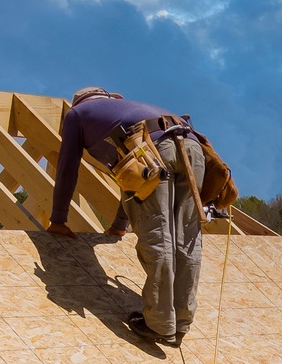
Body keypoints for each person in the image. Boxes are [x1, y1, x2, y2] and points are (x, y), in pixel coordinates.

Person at [45, 87, 205, 345]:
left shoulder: (78, 114)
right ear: (111, 97)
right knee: (187, 239)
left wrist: (58, 219)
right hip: (193, 147)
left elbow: (67, 169)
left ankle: (161, 325)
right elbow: (129, 180)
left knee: (158, 236)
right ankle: (182, 322)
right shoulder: (126, 110)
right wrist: (120, 225)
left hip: (152, 150)